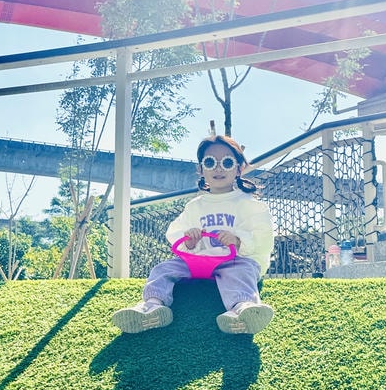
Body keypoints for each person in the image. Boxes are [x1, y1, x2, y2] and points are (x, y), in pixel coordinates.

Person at [112, 131, 276, 335]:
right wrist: (189, 242)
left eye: (226, 162)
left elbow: (263, 236)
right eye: (209, 162)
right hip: (197, 262)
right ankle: (152, 306)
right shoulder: (195, 206)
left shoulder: (248, 204)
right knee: (163, 269)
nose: (217, 168)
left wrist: (238, 240)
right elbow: (176, 233)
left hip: (233, 261)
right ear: (200, 169)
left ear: (239, 168)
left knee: (241, 272)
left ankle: (243, 309)